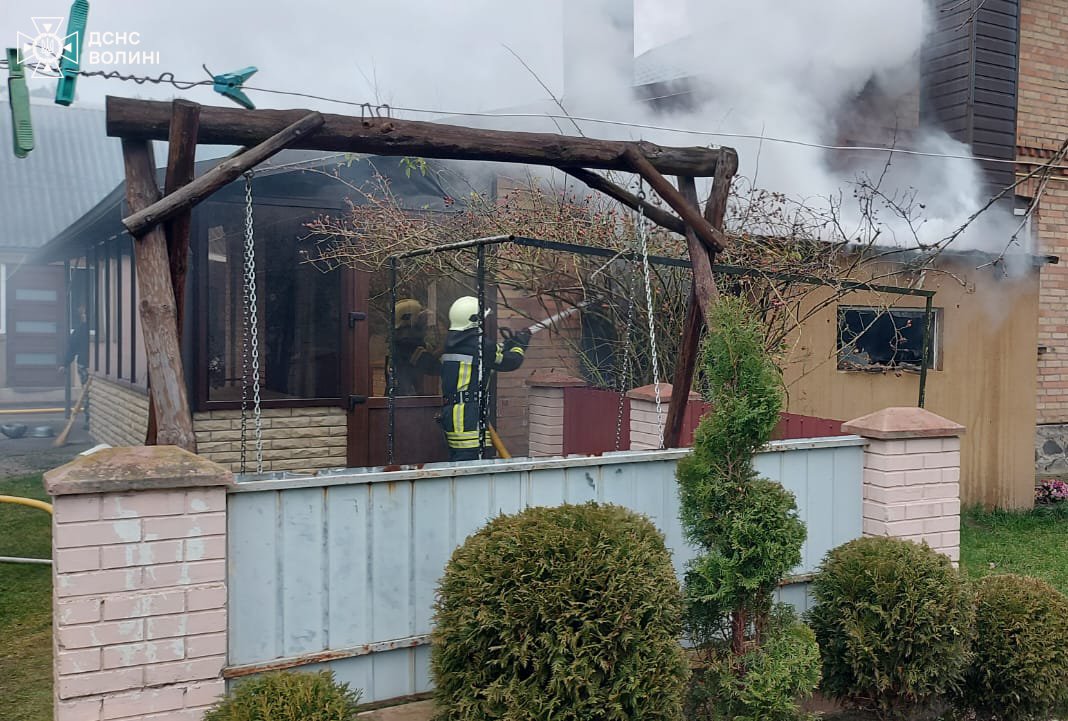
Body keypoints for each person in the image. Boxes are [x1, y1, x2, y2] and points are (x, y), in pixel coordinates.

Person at [440, 296, 530, 461]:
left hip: (453, 417)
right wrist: (520, 345)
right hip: (469, 420)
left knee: (458, 464)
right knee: (471, 467)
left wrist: (507, 345)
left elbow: (488, 355)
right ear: (474, 320)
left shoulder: (451, 343)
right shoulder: (481, 346)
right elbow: (511, 362)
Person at [391, 298, 440, 395]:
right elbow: (434, 367)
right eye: (419, 317)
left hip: (400, 397)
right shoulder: (408, 343)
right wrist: (446, 347)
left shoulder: (397, 340)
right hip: (407, 399)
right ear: (408, 319)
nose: (424, 321)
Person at [58, 305, 90, 429]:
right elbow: (71, 349)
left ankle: (90, 420)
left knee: (88, 394)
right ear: (81, 316)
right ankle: (89, 420)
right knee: (87, 394)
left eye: (85, 313)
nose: (85, 316)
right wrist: (64, 364)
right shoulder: (79, 331)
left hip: (89, 366)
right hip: (84, 366)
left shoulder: (85, 330)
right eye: (83, 314)